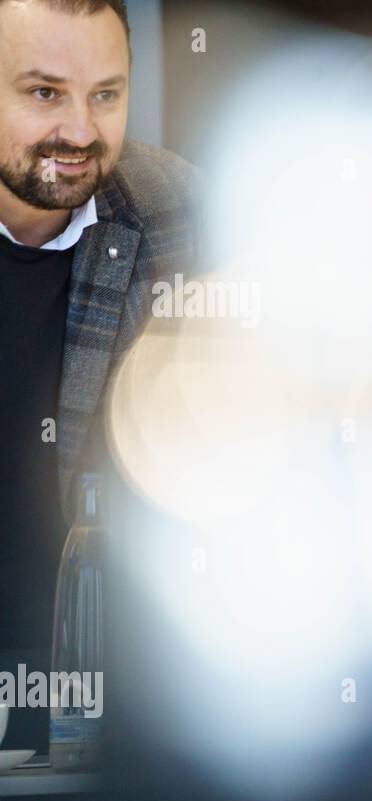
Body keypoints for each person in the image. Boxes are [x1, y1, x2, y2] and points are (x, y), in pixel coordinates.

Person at [0, 0, 201, 661]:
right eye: (44, 92)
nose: (80, 131)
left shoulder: (180, 217)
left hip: (95, 705)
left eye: (105, 95)